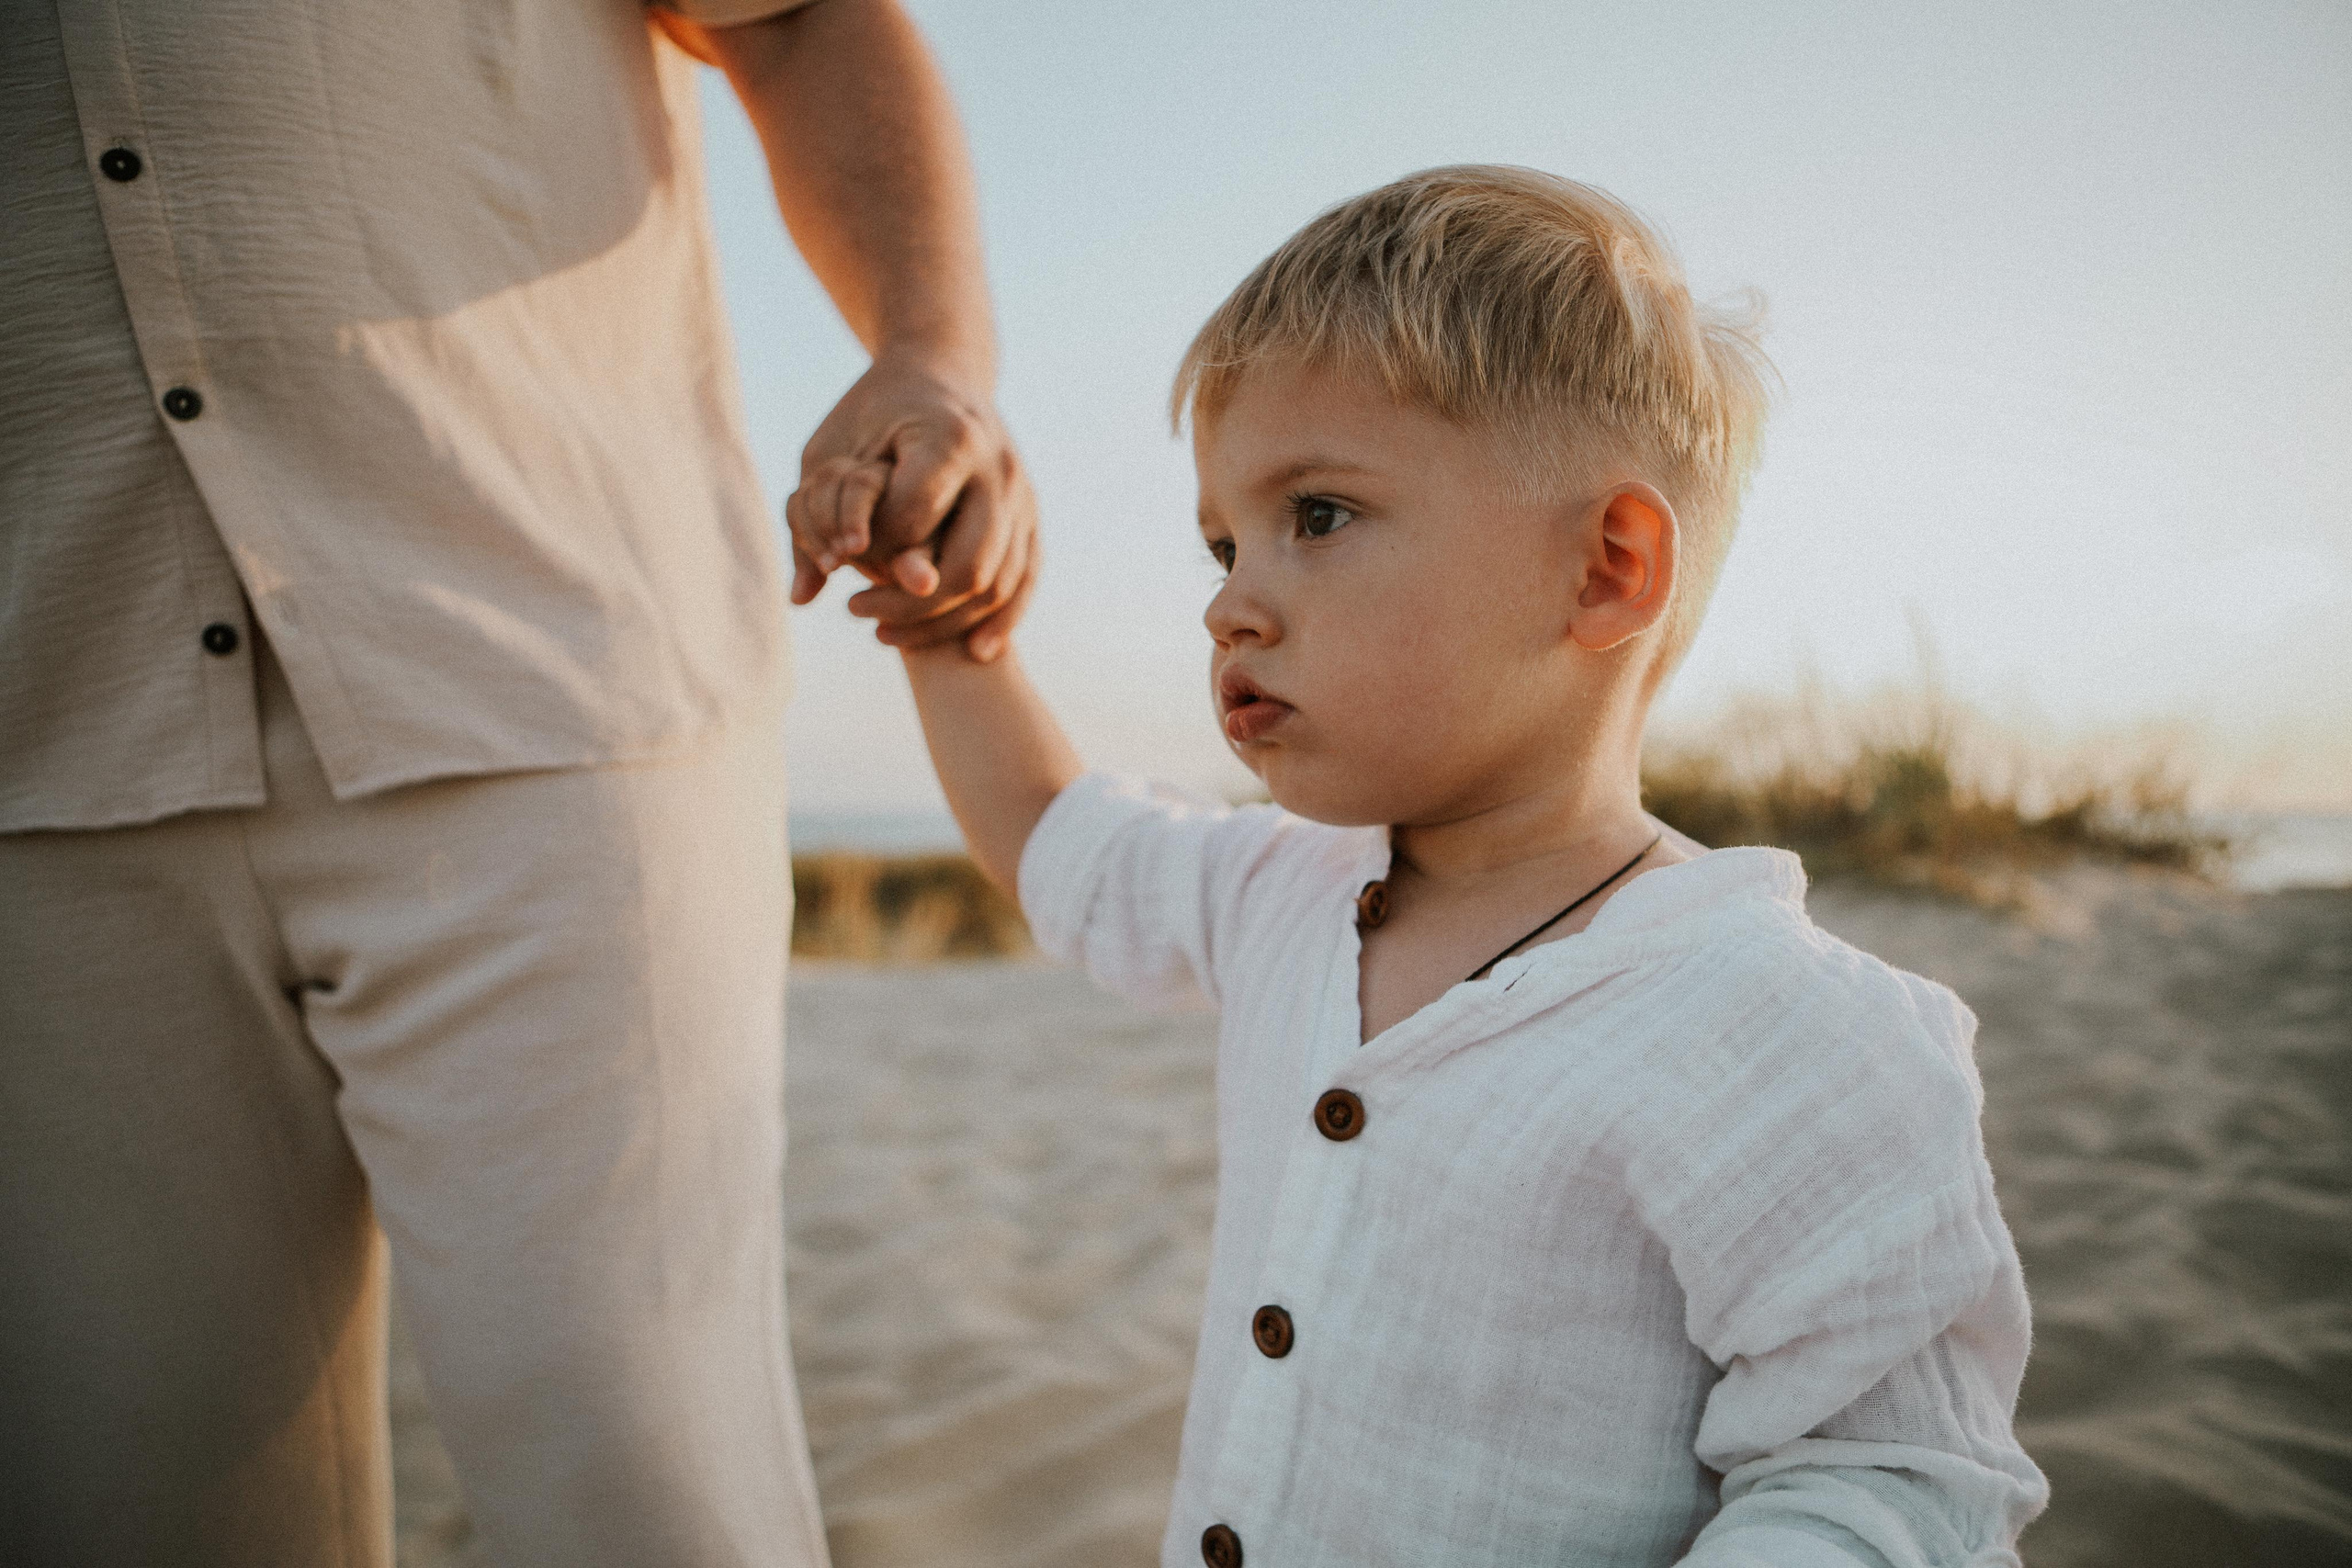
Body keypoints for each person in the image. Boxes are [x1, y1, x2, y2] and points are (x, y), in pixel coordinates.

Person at [850, 166, 2050, 1564]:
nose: (1231, 603)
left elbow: (1889, 1481)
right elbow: (1067, 845)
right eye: (1222, 542)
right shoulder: (1276, 894)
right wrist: (948, 637)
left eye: (1317, 516)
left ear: (1605, 567)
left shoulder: (1787, 1033)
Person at [0, 3, 1022, 1564]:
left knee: (651, 1504)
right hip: (43, 752)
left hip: (550, 670)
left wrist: (932, 356)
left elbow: (803, 16)